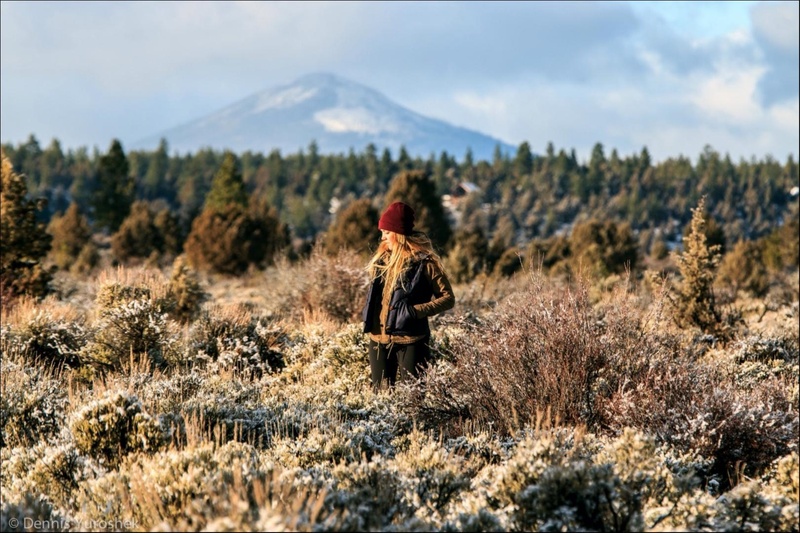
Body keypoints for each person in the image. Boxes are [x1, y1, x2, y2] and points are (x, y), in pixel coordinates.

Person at [362, 201, 455, 390]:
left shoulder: (426, 263)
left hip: (411, 340)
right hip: (378, 339)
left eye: (387, 232)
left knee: (413, 399)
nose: (382, 237)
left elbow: (448, 298)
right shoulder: (381, 260)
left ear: (399, 234)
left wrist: (413, 312)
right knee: (380, 398)